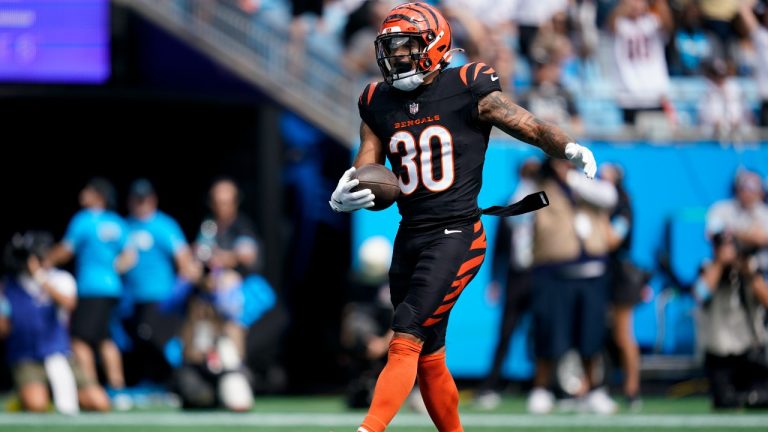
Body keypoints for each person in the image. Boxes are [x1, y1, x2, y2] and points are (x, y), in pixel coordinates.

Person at [328, 3, 599, 431]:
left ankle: (369, 428)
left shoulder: (467, 85)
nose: (396, 57)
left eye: (406, 48)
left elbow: (527, 124)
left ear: (435, 46)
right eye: (391, 49)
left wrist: (568, 147)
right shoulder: (376, 100)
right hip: (410, 234)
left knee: (406, 335)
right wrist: (349, 192)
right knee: (429, 353)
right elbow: (370, 170)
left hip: (457, 234)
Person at [0, 231, 110, 413]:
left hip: (58, 353)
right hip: (26, 356)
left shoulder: (60, 279)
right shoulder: (7, 286)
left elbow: (69, 302)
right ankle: (26, 394)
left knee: (99, 403)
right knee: (36, 405)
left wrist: (40, 278)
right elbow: (4, 327)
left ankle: (60, 393)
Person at [46, 178, 134, 394]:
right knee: (105, 337)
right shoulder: (117, 222)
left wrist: (44, 262)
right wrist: (115, 269)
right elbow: (131, 255)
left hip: (90, 289)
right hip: (112, 289)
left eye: (88, 190)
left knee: (80, 339)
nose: (83, 193)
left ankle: (90, 387)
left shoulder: (83, 220)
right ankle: (117, 386)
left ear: (98, 196)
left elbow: (67, 250)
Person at [122, 179, 201, 385]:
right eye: (136, 199)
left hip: (160, 296)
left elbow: (183, 260)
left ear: (153, 200)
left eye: (144, 199)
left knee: (154, 336)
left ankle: (172, 379)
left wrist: (181, 290)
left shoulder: (164, 225)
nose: (140, 204)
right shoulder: (125, 226)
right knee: (136, 339)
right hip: (132, 298)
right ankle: (149, 381)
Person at [694, 231, 768, 409]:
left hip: (750, 351)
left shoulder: (750, 269)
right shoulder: (708, 269)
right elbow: (700, 295)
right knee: (725, 402)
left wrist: (749, 274)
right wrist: (719, 264)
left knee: (760, 398)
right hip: (720, 354)